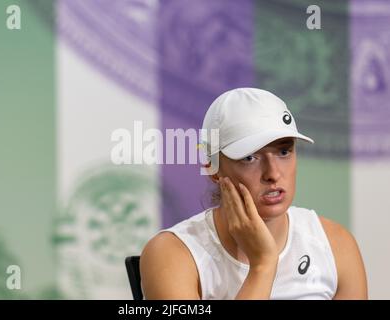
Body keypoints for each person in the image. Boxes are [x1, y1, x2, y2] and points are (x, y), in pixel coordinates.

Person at [140, 88, 367, 300]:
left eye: (284, 151)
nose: (273, 173)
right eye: (249, 157)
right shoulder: (173, 254)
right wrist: (263, 266)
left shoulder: (335, 244)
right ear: (212, 167)